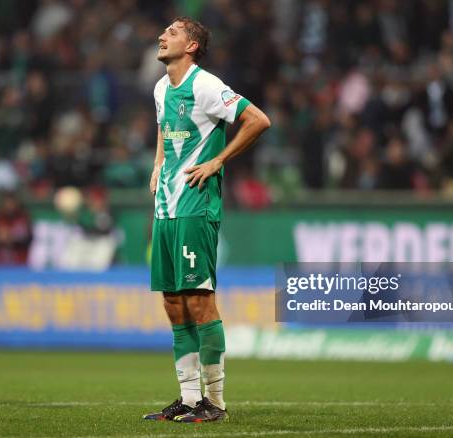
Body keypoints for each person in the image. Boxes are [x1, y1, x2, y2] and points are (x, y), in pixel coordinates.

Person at [143, 17, 270, 423]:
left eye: (173, 33)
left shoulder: (206, 85)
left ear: (192, 45)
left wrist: (217, 160)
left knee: (199, 301)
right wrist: (158, 164)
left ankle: (215, 402)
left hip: (196, 207)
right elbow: (165, 129)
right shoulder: (162, 88)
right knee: (173, 301)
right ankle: (188, 396)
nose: (163, 36)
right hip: (166, 207)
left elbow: (258, 120)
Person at [0, 192, 33, 265]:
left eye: (11, 203)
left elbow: (29, 239)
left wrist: (11, 238)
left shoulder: (23, 218)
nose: (9, 206)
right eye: (7, 203)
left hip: (20, 264)